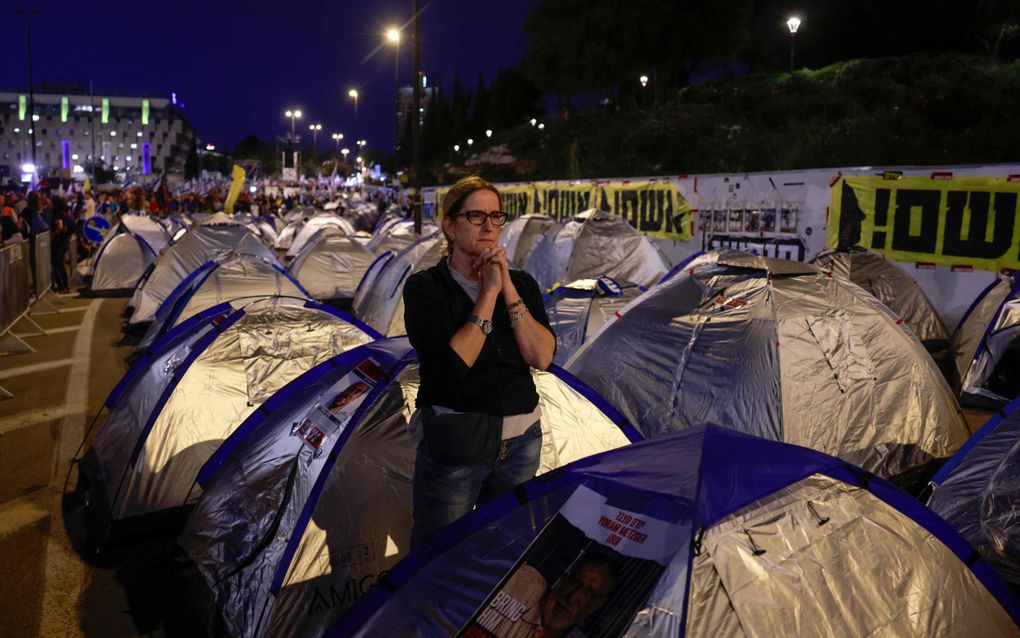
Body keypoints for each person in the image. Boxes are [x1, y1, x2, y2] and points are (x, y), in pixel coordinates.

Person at [403, 175, 556, 548]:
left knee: (503, 548)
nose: (489, 225)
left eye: (495, 216)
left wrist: (508, 289)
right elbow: (454, 365)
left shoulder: (522, 283)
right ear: (450, 226)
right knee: (437, 552)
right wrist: (488, 293)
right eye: (476, 216)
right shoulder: (425, 288)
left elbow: (542, 356)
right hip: (459, 442)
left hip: (522, 441)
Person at [487, 551, 621, 638]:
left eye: (588, 593)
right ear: (563, 580)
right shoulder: (523, 587)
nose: (572, 597)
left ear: (596, 605)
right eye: (575, 582)